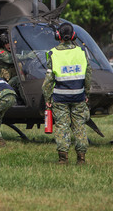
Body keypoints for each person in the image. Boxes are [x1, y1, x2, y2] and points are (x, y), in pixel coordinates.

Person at [42, 22, 91, 165]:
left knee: (62, 126)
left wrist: (47, 98)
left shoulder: (53, 53)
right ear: (73, 35)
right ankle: (81, 159)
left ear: (58, 36)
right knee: (79, 126)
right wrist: (86, 93)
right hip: (78, 96)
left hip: (60, 97)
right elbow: (88, 76)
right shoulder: (81, 52)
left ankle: (63, 159)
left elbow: (48, 81)